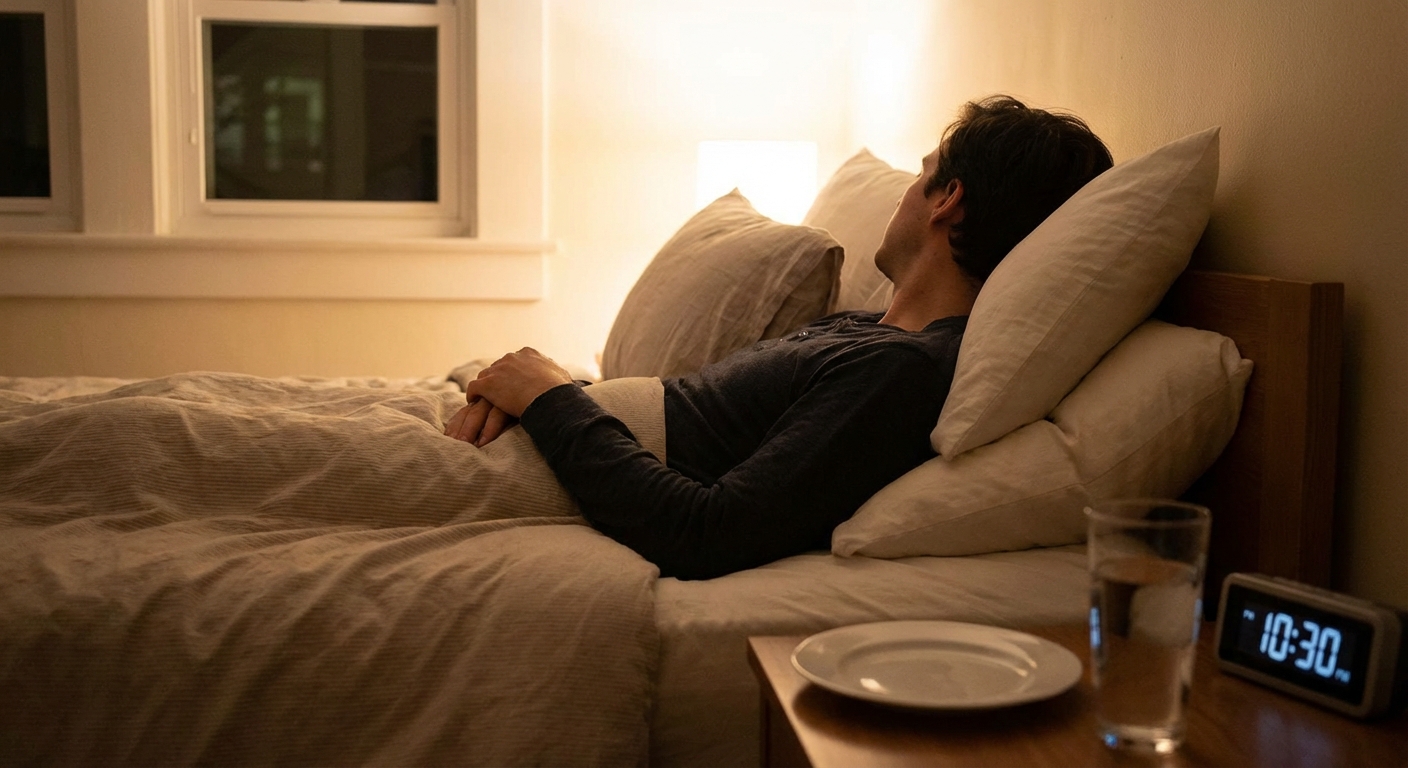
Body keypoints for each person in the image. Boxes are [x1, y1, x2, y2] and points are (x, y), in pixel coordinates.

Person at [444, 95, 1114, 579]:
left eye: (920, 175)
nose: (904, 195)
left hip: (551, 470)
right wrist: (544, 393)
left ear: (947, 199)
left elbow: (706, 531)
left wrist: (554, 400)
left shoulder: (898, 371)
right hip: (537, 441)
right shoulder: (866, 331)